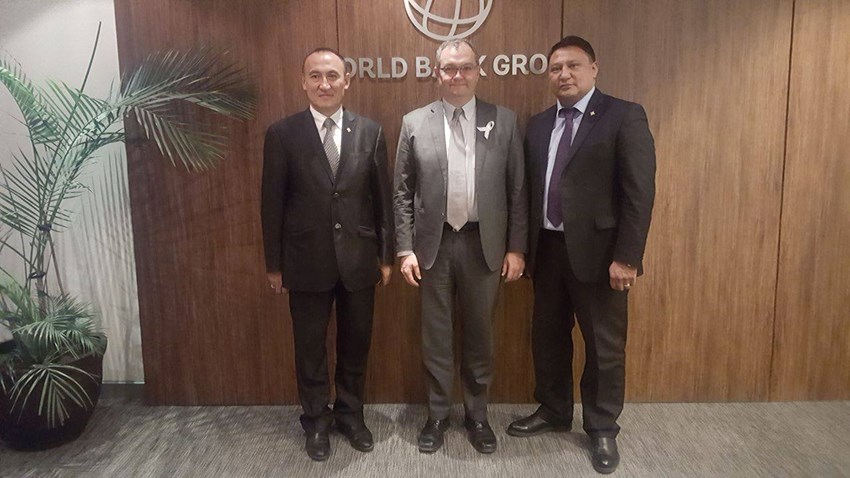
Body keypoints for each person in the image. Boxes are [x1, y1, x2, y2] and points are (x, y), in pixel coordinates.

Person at [506, 35, 655, 474]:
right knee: (547, 336)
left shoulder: (623, 115)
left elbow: (639, 193)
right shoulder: (537, 125)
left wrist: (628, 258)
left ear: (594, 68)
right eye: (555, 68)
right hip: (548, 250)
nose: (564, 74)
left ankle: (602, 426)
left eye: (573, 65)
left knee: (604, 346)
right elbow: (526, 192)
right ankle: (554, 409)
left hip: (602, 256)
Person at [393, 39, 528, 454]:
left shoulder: (504, 121)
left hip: (483, 244)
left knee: (480, 335)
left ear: (478, 70)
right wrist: (404, 249)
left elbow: (517, 191)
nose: (457, 75)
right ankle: (437, 415)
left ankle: (477, 415)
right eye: (449, 68)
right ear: (437, 73)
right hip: (431, 248)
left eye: (465, 67)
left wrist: (516, 248)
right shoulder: (414, 122)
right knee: (436, 336)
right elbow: (401, 192)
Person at [261, 47, 394, 462]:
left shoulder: (370, 132)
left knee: (356, 344)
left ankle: (351, 415)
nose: (324, 83)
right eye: (316, 76)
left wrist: (386, 256)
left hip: (359, 260)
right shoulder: (282, 134)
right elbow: (271, 204)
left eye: (333, 75)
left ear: (347, 81)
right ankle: (316, 420)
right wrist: (274, 265)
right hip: (305, 261)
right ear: (303, 82)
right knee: (310, 348)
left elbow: (382, 201)